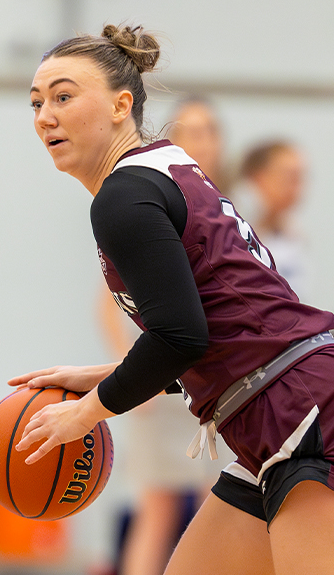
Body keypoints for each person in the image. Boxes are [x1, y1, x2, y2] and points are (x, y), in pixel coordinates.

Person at [9, 24, 334, 575]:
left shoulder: (124, 195)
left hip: (309, 415)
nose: (45, 115)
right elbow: (217, 332)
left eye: (64, 96)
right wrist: (105, 374)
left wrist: (87, 414)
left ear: (122, 105)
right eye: (36, 102)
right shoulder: (164, 168)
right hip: (277, 411)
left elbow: (181, 336)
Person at [111, 95, 231, 575]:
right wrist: (130, 370)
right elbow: (109, 299)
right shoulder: (148, 198)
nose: (200, 141)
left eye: (209, 131)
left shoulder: (223, 203)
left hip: (216, 373)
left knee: (219, 498)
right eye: (191, 131)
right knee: (158, 504)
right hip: (164, 365)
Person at [235, 140, 309, 299]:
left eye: (300, 179)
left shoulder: (294, 234)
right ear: (257, 178)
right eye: (290, 177)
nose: (297, 188)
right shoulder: (230, 227)